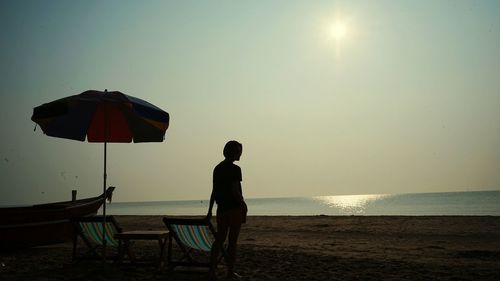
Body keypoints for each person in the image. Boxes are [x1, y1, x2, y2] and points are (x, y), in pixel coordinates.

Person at [207, 140, 247, 280]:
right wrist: (243, 204)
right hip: (234, 209)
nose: (241, 154)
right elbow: (235, 190)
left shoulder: (217, 168)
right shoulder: (235, 169)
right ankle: (230, 272)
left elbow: (214, 191)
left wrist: (210, 210)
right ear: (234, 152)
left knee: (219, 240)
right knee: (232, 242)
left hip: (221, 209)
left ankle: (212, 271)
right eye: (239, 151)